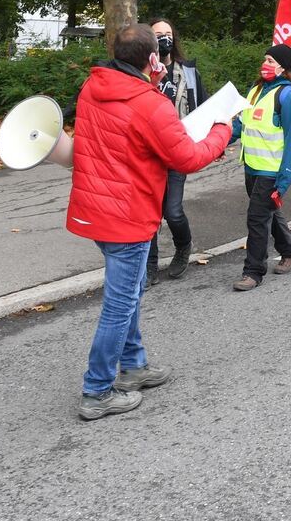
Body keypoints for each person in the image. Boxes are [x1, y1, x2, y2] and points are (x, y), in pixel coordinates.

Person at [68, 24, 231, 420]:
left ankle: (134, 366)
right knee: (120, 304)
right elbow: (187, 158)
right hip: (128, 215)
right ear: (154, 58)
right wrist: (223, 129)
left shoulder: (94, 86)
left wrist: (150, 79)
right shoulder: (150, 103)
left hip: (94, 210)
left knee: (133, 289)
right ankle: (97, 391)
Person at [230, 44, 291, 291]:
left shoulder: (289, 97)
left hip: (272, 170)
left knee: (256, 218)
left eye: (272, 61)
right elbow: (241, 125)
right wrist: (217, 142)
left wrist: (284, 179)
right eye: (265, 59)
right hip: (252, 166)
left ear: (283, 68)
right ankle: (290, 252)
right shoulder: (254, 91)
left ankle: (253, 272)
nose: (266, 64)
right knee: (268, 213)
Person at [143, 18, 210, 285]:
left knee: (172, 211)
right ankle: (149, 266)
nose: (164, 38)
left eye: (168, 33)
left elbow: (205, 109)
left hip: (177, 150)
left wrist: (209, 144)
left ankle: (183, 246)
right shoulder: (141, 72)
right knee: (149, 212)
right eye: (158, 34)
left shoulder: (188, 73)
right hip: (148, 153)